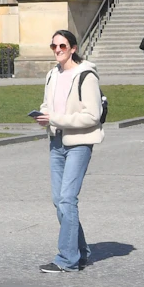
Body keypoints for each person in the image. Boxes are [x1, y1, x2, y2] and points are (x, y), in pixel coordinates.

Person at [35, 28, 103, 274]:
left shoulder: (87, 76)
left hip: (79, 143)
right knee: (59, 201)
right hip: (56, 141)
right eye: (54, 46)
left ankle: (66, 259)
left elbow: (92, 115)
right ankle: (81, 253)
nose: (57, 51)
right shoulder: (52, 75)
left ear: (73, 48)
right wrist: (44, 115)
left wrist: (57, 119)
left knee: (67, 199)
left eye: (62, 46)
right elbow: (48, 104)